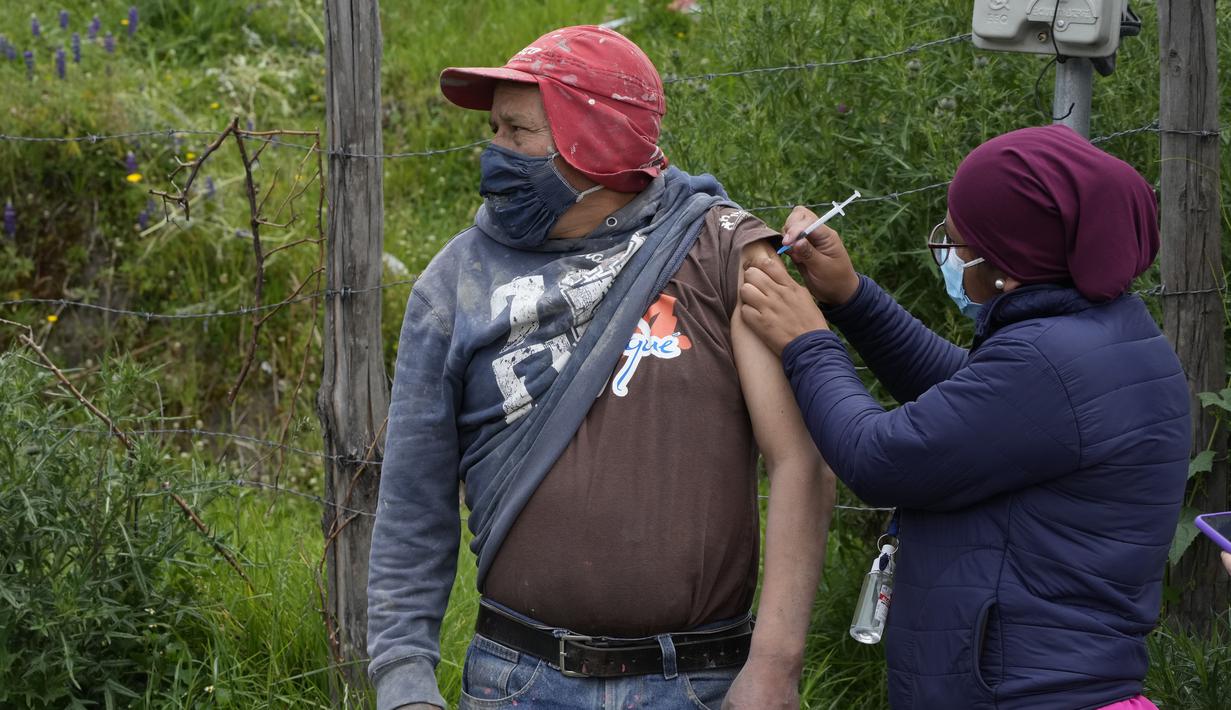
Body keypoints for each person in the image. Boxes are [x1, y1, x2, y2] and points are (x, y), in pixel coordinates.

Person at [366, 25, 835, 710]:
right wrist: (405, 681)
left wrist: (774, 667)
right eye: (493, 129)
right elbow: (414, 498)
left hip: (696, 683)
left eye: (517, 132)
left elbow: (802, 462)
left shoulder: (722, 256)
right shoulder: (454, 285)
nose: (493, 152)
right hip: (515, 682)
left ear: (598, 143)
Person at [738, 124, 1190, 709]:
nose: (949, 256)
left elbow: (881, 457)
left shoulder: (1048, 362)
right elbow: (963, 398)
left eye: (957, 243)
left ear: (1011, 260)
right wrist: (850, 297)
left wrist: (807, 343)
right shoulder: (1104, 337)